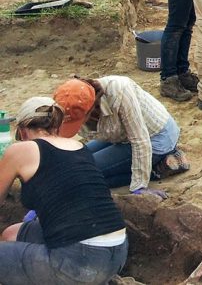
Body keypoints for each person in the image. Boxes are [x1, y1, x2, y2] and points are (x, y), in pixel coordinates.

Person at [0, 97, 128, 284]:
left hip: (79, 261)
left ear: (22, 130)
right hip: (117, 254)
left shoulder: (20, 150)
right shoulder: (79, 147)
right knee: (11, 234)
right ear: (57, 126)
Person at [54, 77, 188, 195]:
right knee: (73, 161)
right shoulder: (67, 100)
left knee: (84, 174)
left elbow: (140, 140)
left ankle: (156, 171)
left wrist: (139, 186)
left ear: (90, 108)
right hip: (121, 135)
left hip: (156, 138)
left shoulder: (120, 92)